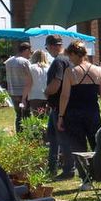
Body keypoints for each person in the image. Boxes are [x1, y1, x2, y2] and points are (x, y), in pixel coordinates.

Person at [57, 41, 101, 156]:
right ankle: (97, 171)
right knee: (97, 146)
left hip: (74, 115)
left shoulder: (70, 72)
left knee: (78, 149)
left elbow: (64, 96)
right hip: (93, 113)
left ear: (74, 54)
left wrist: (60, 116)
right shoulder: (99, 70)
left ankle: (84, 172)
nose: (69, 59)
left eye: (70, 56)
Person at [43, 36, 74, 179]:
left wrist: (46, 91)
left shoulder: (58, 61)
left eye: (46, 48)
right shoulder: (68, 59)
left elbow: (56, 84)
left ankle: (68, 170)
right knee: (54, 137)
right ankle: (52, 167)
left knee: (62, 139)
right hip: (63, 105)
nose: (47, 51)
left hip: (59, 106)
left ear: (51, 46)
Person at [4, 42, 33, 132]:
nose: (30, 54)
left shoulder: (8, 61)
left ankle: (19, 134)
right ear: (26, 50)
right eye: (30, 52)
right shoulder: (25, 62)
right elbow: (30, 78)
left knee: (18, 115)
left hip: (13, 92)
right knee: (26, 114)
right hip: (23, 93)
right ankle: (27, 135)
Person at [26, 49, 50, 115]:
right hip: (47, 95)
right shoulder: (49, 67)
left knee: (37, 117)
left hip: (35, 95)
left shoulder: (31, 68)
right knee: (46, 117)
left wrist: (24, 97)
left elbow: (28, 84)